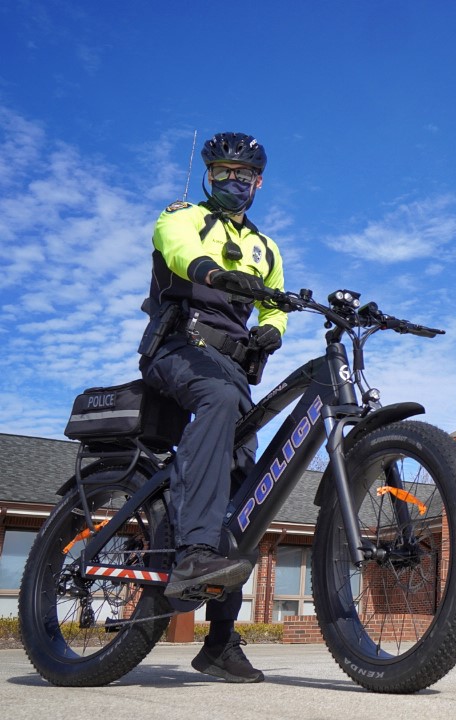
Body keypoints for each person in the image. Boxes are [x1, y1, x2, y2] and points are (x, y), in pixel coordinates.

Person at [138, 131, 286, 683]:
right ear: (207, 175)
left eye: (242, 174)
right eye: (221, 171)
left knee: (248, 489)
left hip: (231, 369)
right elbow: (178, 249)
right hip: (178, 348)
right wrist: (212, 272)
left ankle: (221, 641)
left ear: (258, 182)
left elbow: (277, 302)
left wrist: (272, 330)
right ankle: (194, 550)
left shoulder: (267, 247)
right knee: (219, 399)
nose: (232, 181)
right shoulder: (182, 216)